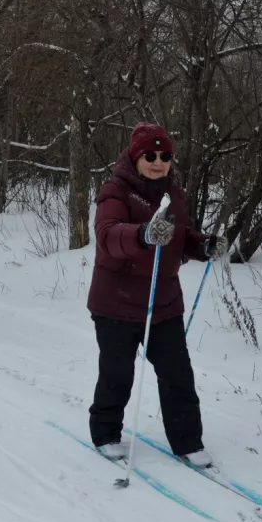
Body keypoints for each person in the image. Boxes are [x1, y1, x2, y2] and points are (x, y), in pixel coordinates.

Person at [86, 122, 227, 468]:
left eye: (165, 156)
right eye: (150, 154)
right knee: (118, 373)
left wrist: (202, 244)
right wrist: (143, 234)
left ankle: (188, 442)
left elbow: (180, 236)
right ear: (136, 156)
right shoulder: (115, 191)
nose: (158, 161)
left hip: (162, 304)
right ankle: (105, 434)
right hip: (115, 303)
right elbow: (108, 235)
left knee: (178, 373)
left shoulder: (173, 193)